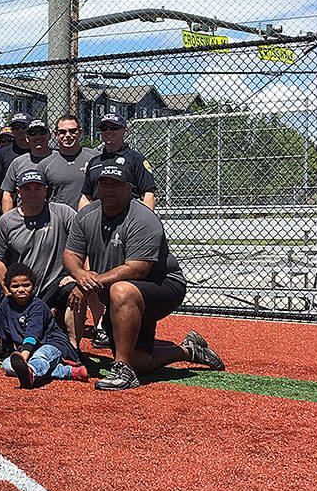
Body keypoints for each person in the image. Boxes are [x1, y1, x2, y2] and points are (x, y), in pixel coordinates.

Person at [64, 164, 221, 390]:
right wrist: (80, 275)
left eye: (116, 184)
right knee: (140, 360)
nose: (108, 189)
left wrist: (90, 284)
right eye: (104, 183)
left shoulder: (143, 218)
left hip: (162, 285)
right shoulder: (87, 215)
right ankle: (189, 350)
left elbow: (137, 269)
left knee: (121, 290)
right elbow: (70, 254)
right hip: (121, 293)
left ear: (130, 188)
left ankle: (123, 370)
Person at [0, 169, 80, 340]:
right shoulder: (7, 221)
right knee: (11, 343)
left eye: (37, 188)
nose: (33, 193)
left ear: (45, 190)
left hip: (56, 284)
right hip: (22, 288)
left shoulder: (62, 212)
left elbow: (83, 242)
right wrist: (10, 291)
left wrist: (78, 274)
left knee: (76, 290)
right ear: (18, 192)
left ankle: (74, 348)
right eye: (27, 189)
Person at [0, 263, 88, 389]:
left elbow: (32, 336)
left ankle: (31, 373)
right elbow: (5, 334)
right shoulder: (5, 304)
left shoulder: (38, 306)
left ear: (33, 286)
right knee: (7, 365)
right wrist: (10, 355)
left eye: (26, 285)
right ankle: (68, 372)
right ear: (8, 288)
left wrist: (23, 357)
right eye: (15, 286)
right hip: (29, 349)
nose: (21, 289)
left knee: (40, 356)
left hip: (53, 343)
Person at [79, 113, 157, 210]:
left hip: (128, 220)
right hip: (99, 219)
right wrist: (82, 221)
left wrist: (145, 221)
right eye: (104, 128)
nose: (108, 131)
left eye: (113, 127)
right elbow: (86, 197)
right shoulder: (94, 162)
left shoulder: (136, 159)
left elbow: (149, 194)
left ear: (125, 131)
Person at [0, 114, 31, 233]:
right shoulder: (2, 154)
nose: (19, 130)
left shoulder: (38, 151)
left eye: (23, 126)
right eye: (15, 127)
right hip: (8, 211)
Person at [38, 114, 97, 207]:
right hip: (58, 219)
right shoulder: (45, 165)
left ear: (80, 132)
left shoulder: (95, 159)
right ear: (56, 134)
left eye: (73, 131)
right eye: (62, 132)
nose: (68, 135)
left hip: (88, 218)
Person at [0, 118, 53, 214]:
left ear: (49, 135)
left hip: (55, 218)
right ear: (27, 138)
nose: (38, 136)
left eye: (42, 132)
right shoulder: (18, 163)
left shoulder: (60, 158)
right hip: (25, 219)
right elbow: (8, 194)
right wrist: (10, 221)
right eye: (33, 133)